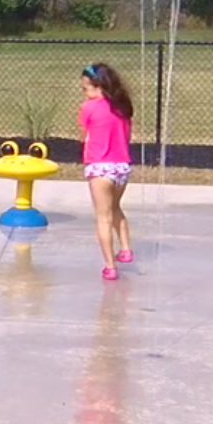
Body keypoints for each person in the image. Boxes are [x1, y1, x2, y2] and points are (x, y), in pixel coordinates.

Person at [79, 62, 136, 280]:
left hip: (99, 167)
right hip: (121, 166)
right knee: (115, 208)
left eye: (86, 89)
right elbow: (127, 136)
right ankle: (126, 249)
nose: (85, 93)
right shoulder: (122, 107)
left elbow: (85, 135)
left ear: (96, 86)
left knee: (102, 217)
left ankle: (110, 266)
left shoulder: (89, 108)